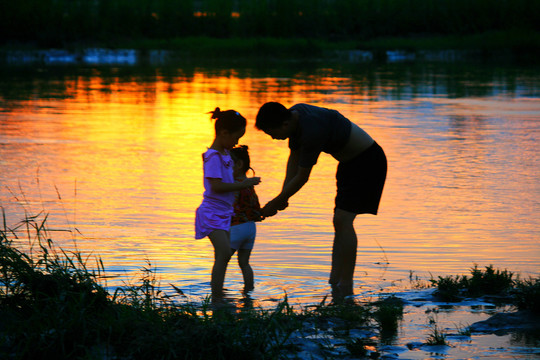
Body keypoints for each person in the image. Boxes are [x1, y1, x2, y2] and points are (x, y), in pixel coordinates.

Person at [255, 102, 387, 298]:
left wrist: (274, 203)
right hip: (348, 164)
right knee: (339, 222)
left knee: (343, 220)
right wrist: (282, 197)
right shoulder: (295, 116)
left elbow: (302, 177)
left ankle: (346, 286)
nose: (273, 138)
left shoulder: (311, 131)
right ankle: (335, 283)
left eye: (272, 132)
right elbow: (294, 158)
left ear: (284, 124)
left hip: (368, 162)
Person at [195, 108, 261, 301]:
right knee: (223, 253)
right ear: (224, 133)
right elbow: (216, 186)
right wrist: (244, 184)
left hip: (224, 213)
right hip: (212, 213)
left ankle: (218, 296)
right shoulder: (214, 156)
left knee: (223, 256)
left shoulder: (225, 155)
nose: (237, 143)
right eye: (236, 138)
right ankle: (216, 298)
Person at [229, 145, 263, 294]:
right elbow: (256, 207)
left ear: (239, 164)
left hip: (237, 227)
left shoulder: (234, 184)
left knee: (221, 262)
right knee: (244, 263)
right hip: (250, 228)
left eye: (228, 164)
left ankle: (217, 294)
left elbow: (230, 205)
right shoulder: (250, 185)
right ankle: (249, 292)